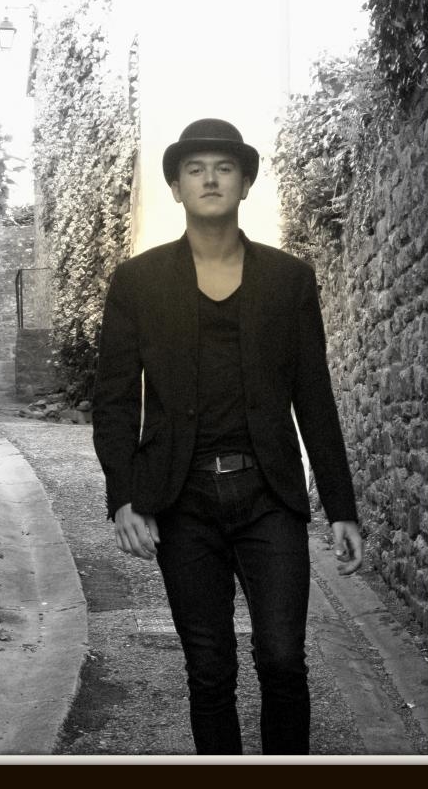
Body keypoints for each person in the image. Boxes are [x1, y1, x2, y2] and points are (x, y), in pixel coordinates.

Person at [92, 118, 363, 756]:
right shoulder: (137, 282)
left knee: (283, 660)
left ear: (244, 183)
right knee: (209, 668)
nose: (210, 179)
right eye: (195, 169)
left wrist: (341, 507)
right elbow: (113, 400)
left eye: (223, 168)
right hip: (181, 500)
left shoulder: (289, 280)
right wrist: (124, 496)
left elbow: (314, 397)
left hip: (268, 495)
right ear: (177, 187)